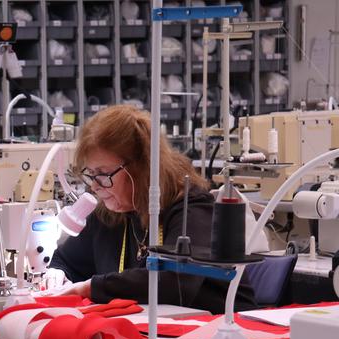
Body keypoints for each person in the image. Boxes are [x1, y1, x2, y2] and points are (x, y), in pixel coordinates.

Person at [47, 105, 256, 314]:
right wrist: (56, 274)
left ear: (140, 169)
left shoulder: (191, 208)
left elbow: (175, 281)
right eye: (90, 173)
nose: (94, 185)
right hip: (154, 334)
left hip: (224, 332)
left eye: (103, 173)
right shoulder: (110, 214)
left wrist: (90, 287)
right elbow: (65, 260)